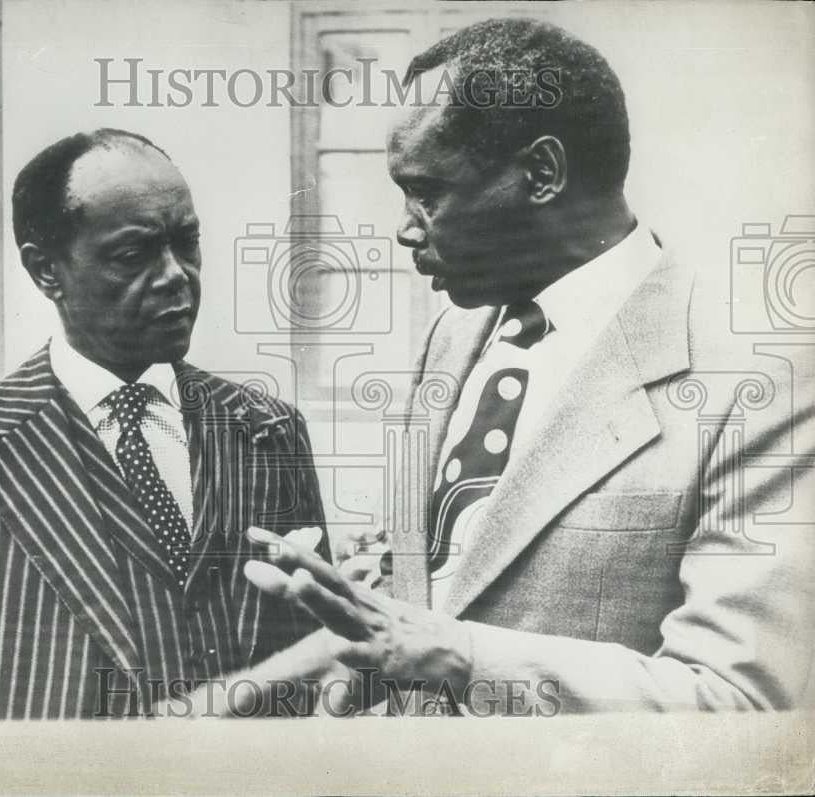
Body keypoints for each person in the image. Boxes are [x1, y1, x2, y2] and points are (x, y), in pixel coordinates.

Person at [240, 17, 815, 714]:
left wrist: (461, 657)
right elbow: (442, 594)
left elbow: (740, 702)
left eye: (426, 190)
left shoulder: (758, 381)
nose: (404, 226)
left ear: (541, 173)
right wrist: (351, 610)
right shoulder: (453, 334)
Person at [0, 128, 329, 719]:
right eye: (134, 255)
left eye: (187, 243)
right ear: (46, 271)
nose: (177, 275)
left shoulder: (268, 430)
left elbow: (322, 661)